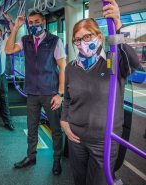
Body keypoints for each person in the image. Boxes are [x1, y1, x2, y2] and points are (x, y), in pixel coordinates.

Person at [60, 0, 140, 184]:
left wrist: (118, 25)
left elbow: (134, 63)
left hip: (104, 140)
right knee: (79, 180)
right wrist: (64, 121)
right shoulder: (71, 68)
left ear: (99, 36)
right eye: (77, 39)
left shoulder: (113, 62)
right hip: (75, 137)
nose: (81, 43)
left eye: (87, 37)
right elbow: (69, 98)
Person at [5, 11, 66, 175]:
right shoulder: (25, 40)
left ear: (44, 22)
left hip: (50, 92)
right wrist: (16, 28)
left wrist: (60, 94)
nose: (33, 25)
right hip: (32, 92)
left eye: (36, 21)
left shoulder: (54, 41)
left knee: (55, 129)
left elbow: (62, 68)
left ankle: (57, 159)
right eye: (30, 23)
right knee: (31, 127)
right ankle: (31, 156)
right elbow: (8, 50)